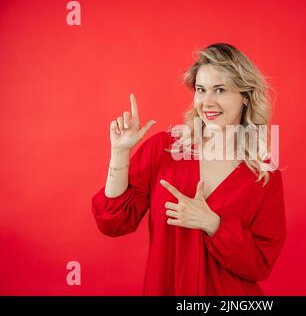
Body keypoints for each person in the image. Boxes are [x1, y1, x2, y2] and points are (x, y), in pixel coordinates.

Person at [91, 43, 286, 295]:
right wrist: (119, 153)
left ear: (245, 96)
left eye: (220, 90)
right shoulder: (164, 149)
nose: (207, 102)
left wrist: (214, 224)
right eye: (201, 89)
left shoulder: (264, 175)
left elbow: (259, 264)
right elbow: (114, 222)